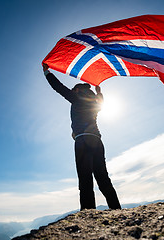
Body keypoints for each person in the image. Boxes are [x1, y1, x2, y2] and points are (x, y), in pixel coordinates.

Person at [42, 63, 121, 210]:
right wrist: (99, 93)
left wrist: (47, 72)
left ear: (77, 90)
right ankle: (116, 208)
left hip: (83, 141)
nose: (72, 91)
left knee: (85, 179)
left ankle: (88, 212)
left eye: (74, 90)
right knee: (103, 177)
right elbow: (102, 103)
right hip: (97, 141)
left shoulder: (76, 98)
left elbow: (59, 87)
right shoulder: (94, 104)